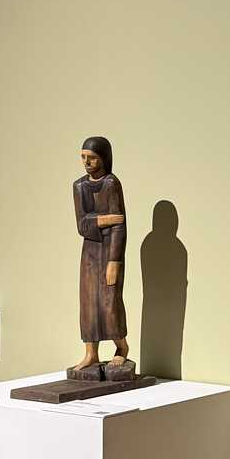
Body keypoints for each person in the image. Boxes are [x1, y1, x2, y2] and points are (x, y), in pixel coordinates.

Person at [72, 136, 129, 369]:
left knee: (109, 301)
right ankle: (91, 353)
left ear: (104, 158)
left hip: (110, 251)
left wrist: (114, 261)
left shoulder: (111, 183)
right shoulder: (79, 186)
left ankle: (121, 347)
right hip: (90, 251)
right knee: (88, 302)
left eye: (92, 158)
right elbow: (81, 225)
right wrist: (105, 219)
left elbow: (120, 225)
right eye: (83, 157)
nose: (87, 162)